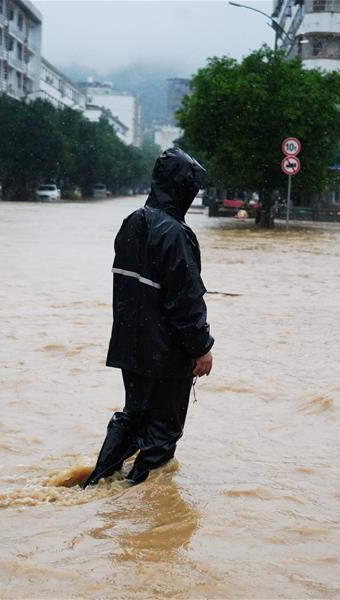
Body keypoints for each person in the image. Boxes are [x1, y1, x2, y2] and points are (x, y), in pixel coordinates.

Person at [84, 148, 214, 488]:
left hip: (130, 346)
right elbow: (184, 301)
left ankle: (98, 484)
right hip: (166, 352)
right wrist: (202, 347)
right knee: (163, 429)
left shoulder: (133, 221)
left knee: (134, 414)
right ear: (182, 188)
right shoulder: (176, 234)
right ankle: (136, 497)